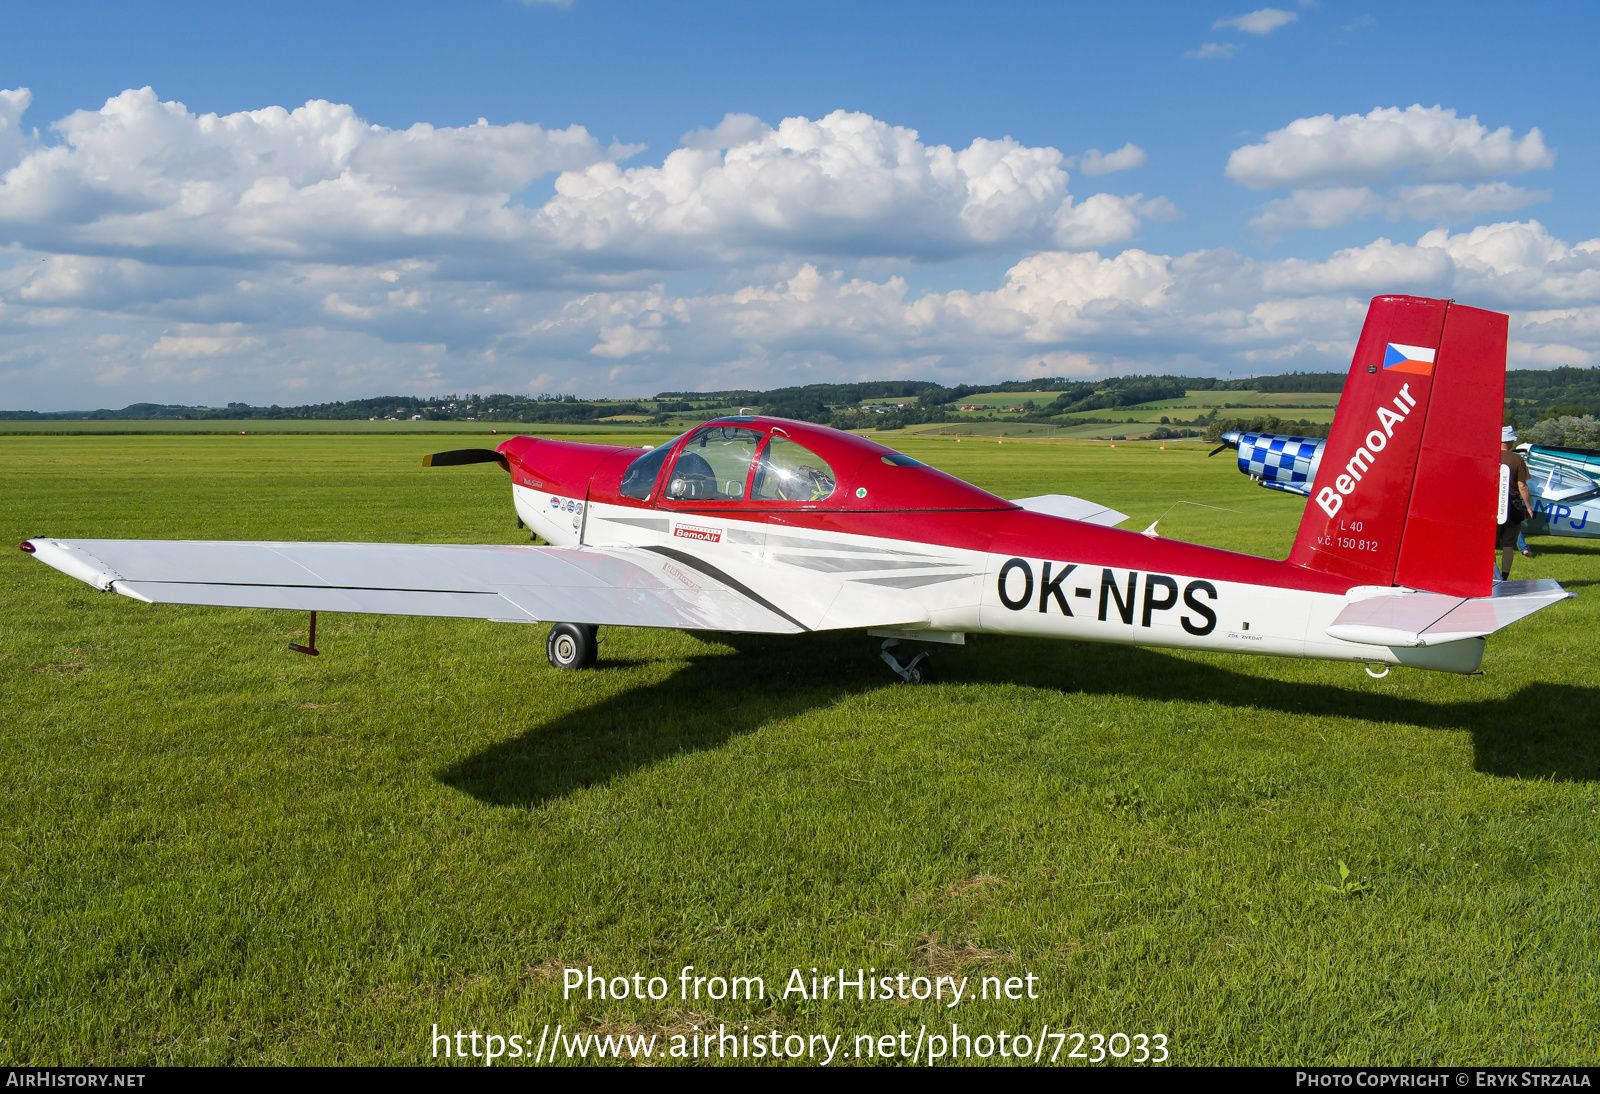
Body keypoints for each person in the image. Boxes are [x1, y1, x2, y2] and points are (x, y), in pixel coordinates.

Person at [1497, 425, 1533, 579]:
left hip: (1491, 505)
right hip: (1512, 504)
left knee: (1488, 545)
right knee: (1508, 545)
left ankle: (1491, 576)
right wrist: (1529, 507)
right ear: (1510, 441)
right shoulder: (1517, 459)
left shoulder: (1489, 456)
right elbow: (1522, 485)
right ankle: (1504, 577)